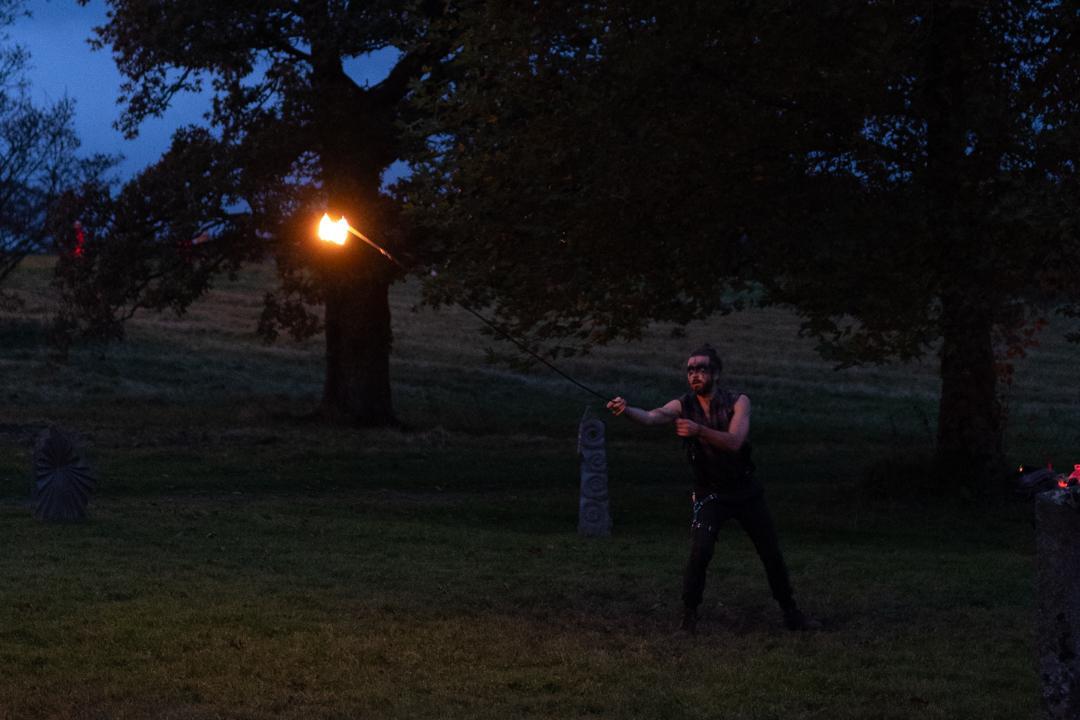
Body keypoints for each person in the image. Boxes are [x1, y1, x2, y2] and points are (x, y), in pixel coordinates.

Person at [607, 344, 808, 634]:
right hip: (709, 494)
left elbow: (735, 441)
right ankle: (689, 617)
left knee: (771, 553)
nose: (695, 375)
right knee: (700, 552)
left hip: (745, 491)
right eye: (690, 370)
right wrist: (626, 410)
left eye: (702, 369)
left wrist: (699, 430)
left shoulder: (738, 402)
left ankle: (792, 613)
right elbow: (652, 417)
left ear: (716, 373)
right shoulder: (683, 405)